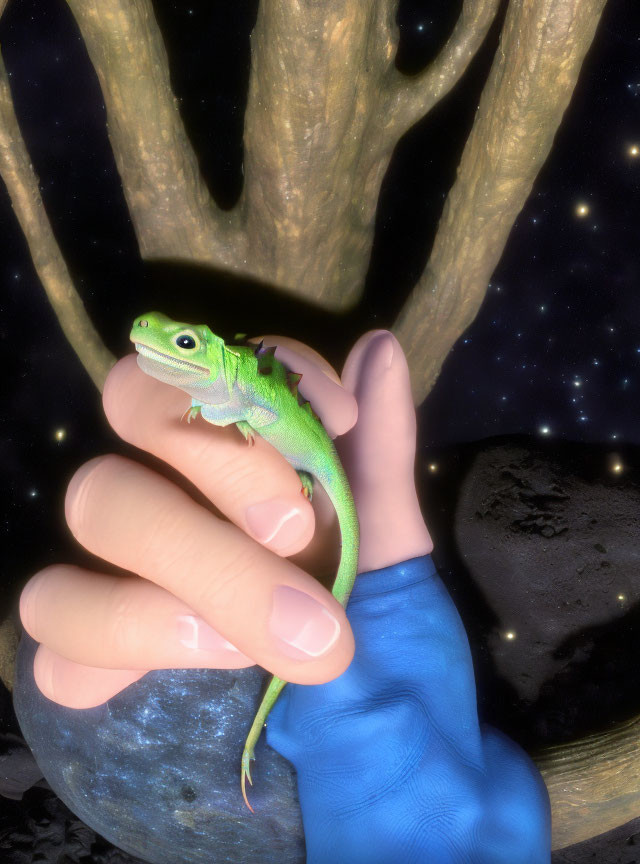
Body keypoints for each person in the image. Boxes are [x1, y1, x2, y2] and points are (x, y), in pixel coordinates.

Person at [19, 329, 551, 862]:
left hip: (309, 501)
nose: (143, 336)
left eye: (183, 340)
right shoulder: (492, 809)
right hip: (336, 551)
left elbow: (255, 408)